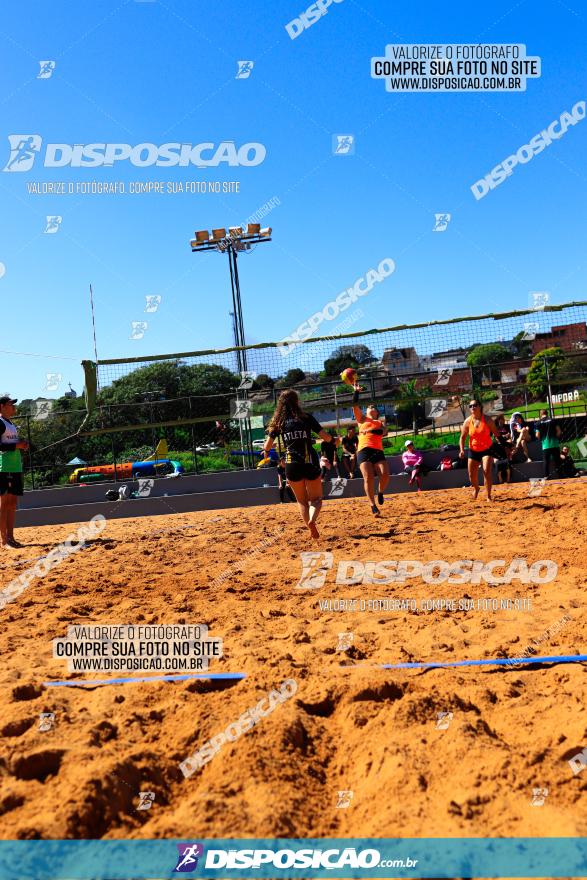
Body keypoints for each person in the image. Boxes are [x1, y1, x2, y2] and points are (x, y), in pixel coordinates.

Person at [264, 390, 332, 539]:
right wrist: (335, 440)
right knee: (316, 499)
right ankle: (312, 520)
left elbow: (267, 446)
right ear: (297, 402)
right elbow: (326, 437)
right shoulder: (306, 418)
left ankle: (310, 528)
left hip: (291, 464)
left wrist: (266, 452)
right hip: (309, 461)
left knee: (302, 501)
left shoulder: (278, 422)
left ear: (281, 405)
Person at [352, 383, 389, 516]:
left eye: (373, 406)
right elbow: (355, 406)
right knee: (368, 478)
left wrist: (373, 430)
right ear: (366, 411)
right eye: (368, 406)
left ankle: (380, 492)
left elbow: (384, 431)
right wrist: (356, 392)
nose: (371, 406)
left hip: (378, 450)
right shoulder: (362, 419)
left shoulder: (380, 422)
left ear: (377, 412)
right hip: (364, 450)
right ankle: (373, 506)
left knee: (385, 475)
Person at [0, 397, 29, 549]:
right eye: (11, 404)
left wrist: (22, 445)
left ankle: (11, 538)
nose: (13, 407)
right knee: (5, 503)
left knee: (12, 504)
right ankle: (4, 541)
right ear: (2, 406)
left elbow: (11, 444)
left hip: (15, 467)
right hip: (4, 468)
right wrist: (17, 445)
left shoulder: (10, 423)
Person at [459, 399, 501, 501]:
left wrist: (503, 445)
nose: (472, 407)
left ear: (480, 407)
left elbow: (496, 434)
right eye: (470, 406)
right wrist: (461, 450)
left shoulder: (487, 420)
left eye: (475, 405)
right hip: (473, 450)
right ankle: (476, 488)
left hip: (487, 449)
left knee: (486, 471)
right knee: (471, 476)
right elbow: (462, 437)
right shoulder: (468, 421)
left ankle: (488, 496)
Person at [535, 409, 562, 479]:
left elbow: (537, 435)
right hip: (555, 443)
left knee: (546, 461)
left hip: (545, 445)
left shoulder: (538, 423)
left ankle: (546, 477)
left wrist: (541, 440)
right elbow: (559, 431)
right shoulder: (553, 420)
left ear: (540, 415)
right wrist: (556, 438)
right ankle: (561, 476)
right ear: (547, 413)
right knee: (557, 460)